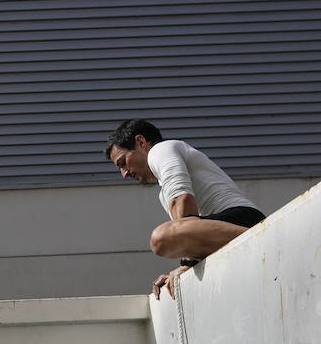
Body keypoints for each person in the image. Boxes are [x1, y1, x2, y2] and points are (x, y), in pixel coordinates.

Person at [105, 119, 264, 300]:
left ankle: (260, 236)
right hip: (220, 227)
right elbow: (190, 230)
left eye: (123, 162)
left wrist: (186, 261)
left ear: (141, 142)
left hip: (244, 218)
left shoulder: (161, 150)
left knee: (161, 238)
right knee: (167, 238)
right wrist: (186, 266)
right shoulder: (163, 195)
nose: (124, 174)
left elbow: (184, 206)